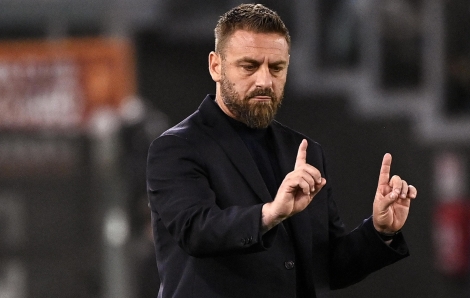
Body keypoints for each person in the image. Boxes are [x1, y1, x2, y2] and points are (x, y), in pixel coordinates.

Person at [146, 4, 418, 298]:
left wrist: (380, 231)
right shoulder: (176, 148)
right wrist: (270, 214)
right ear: (216, 66)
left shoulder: (303, 151)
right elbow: (196, 231)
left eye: (276, 68)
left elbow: (327, 267)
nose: (265, 81)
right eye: (249, 66)